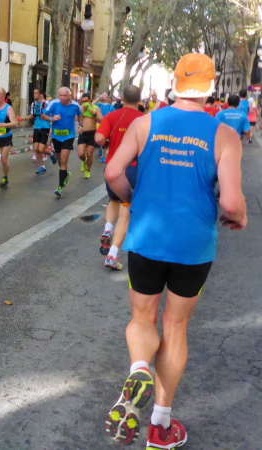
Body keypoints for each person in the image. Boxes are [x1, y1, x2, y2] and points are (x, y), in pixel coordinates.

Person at [104, 53, 247, 448]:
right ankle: (160, 426)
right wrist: (239, 216)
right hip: (193, 245)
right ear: (211, 86)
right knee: (175, 326)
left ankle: (138, 368)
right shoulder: (224, 135)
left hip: (147, 237)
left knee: (142, 318)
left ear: (176, 82)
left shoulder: (144, 122)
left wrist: (131, 199)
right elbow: (231, 202)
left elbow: (113, 172)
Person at [94, 85, 143, 270]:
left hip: (113, 167)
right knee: (125, 212)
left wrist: (108, 142)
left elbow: (99, 138)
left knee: (113, 199)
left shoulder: (112, 116)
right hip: (133, 169)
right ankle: (112, 255)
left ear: (122, 97)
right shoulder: (144, 119)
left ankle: (107, 229)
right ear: (139, 98)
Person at [41, 87, 81, 197]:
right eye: (60, 95)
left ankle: (60, 187)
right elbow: (43, 115)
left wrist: (81, 125)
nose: (62, 98)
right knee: (59, 160)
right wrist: (52, 118)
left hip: (69, 136)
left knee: (63, 160)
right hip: (56, 136)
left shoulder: (75, 105)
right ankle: (65, 174)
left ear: (69, 96)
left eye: (65, 96)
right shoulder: (54, 103)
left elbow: (80, 114)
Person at [77, 93, 103, 179]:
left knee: (90, 154)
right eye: (83, 101)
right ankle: (84, 161)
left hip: (92, 133)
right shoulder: (80, 108)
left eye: (86, 101)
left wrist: (94, 114)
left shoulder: (95, 108)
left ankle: (88, 170)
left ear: (89, 100)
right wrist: (82, 111)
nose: (85, 102)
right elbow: (76, 119)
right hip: (82, 133)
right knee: (81, 154)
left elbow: (101, 119)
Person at [25, 88, 50, 174]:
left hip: (45, 127)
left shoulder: (47, 103)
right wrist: (24, 119)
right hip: (36, 127)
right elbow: (32, 115)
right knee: (36, 149)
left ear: (41, 94)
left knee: (41, 149)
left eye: (36, 93)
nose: (34, 95)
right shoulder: (34, 104)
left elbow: (52, 114)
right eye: (34, 93)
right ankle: (42, 166)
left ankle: (51, 154)